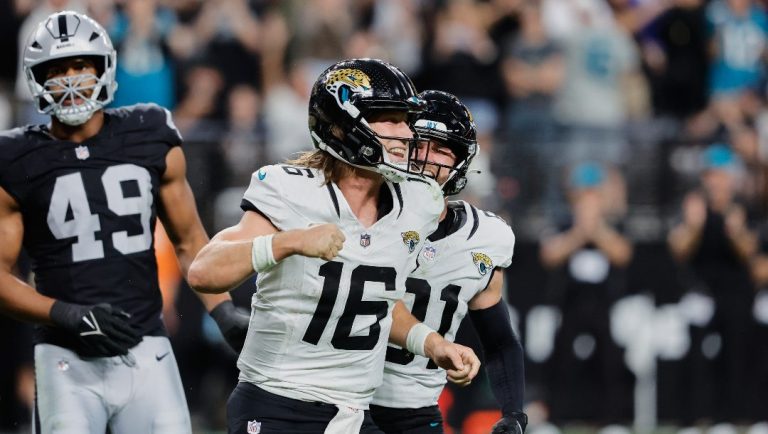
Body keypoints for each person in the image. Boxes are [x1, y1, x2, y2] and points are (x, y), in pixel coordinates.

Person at [187, 58, 481, 434]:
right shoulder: (290, 189)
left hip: (353, 411)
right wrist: (289, 242)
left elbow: (378, 300)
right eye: (390, 120)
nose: (407, 133)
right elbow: (204, 271)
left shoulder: (417, 203)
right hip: (278, 402)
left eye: (406, 121)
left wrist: (434, 345)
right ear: (344, 127)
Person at [0, 11, 249, 434]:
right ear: (37, 79)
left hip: (146, 345)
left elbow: (189, 241)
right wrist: (66, 314)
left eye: (81, 65)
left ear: (104, 67)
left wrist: (223, 311)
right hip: (66, 357)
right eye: (57, 70)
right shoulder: (17, 157)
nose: (73, 80)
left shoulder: (148, 131)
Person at [368, 90, 527, 434]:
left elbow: (499, 340)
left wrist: (514, 412)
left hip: (415, 408)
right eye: (419, 144)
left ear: (461, 163)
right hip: (344, 397)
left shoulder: (486, 238)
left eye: (441, 149)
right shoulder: (362, 214)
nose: (425, 158)